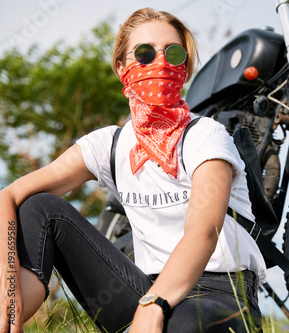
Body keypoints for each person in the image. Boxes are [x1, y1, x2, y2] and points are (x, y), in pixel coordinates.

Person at [0, 7, 266, 333]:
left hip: (219, 292)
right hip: (142, 291)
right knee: (39, 206)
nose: (160, 63)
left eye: (173, 53)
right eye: (144, 54)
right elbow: (9, 196)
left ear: (185, 67)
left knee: (181, 323)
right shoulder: (109, 145)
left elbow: (203, 234)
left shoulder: (206, 136)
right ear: (121, 67)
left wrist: (156, 304)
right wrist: (7, 274)